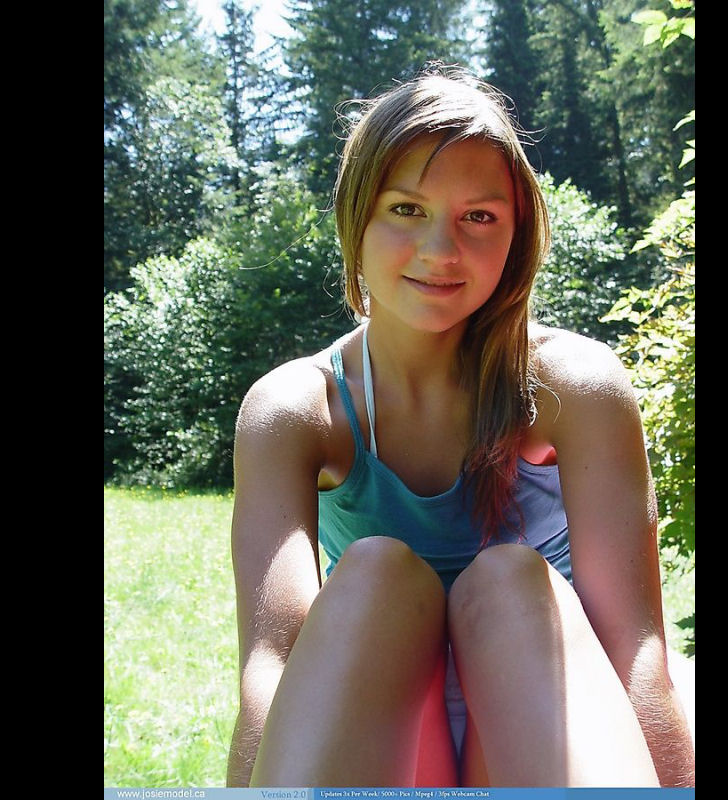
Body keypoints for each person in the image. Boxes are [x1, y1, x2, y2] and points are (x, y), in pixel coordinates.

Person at [226, 64, 695, 788]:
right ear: (356, 216)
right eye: (406, 209)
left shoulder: (573, 387)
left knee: (512, 581)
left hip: (550, 733)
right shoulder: (296, 409)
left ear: (517, 234)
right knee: (376, 574)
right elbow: (272, 665)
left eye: (479, 217)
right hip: (378, 744)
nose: (441, 250)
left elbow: (634, 650)